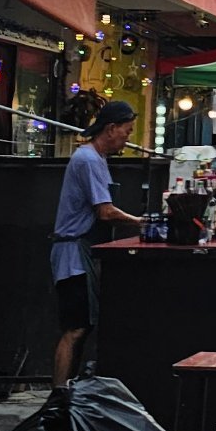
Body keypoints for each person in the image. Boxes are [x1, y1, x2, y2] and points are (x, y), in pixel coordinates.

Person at [53, 100, 141, 383]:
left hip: (83, 252)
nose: (128, 137)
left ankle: (69, 391)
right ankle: (59, 394)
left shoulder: (98, 159)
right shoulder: (88, 159)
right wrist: (142, 223)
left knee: (83, 327)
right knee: (75, 328)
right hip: (72, 256)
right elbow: (105, 212)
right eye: (127, 130)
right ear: (111, 128)